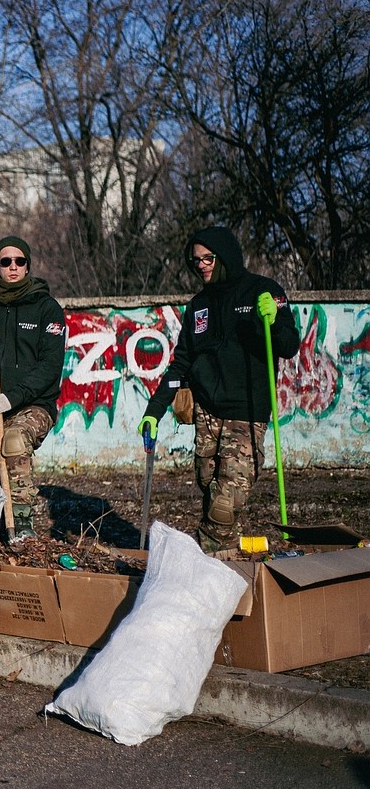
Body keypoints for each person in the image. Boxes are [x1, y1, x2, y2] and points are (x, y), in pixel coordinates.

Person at [139, 227, 300, 552]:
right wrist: (153, 411)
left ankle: (193, 560)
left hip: (246, 412)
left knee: (224, 507)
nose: (201, 265)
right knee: (211, 493)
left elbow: (289, 344)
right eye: (195, 260)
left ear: (225, 255)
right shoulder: (198, 305)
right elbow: (180, 363)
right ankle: (224, 565)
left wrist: (269, 320)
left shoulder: (262, 291)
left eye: (208, 258)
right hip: (207, 413)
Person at [0, 236, 66, 541]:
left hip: (33, 404)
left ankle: (22, 528)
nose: (13, 267)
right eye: (6, 262)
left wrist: (12, 397)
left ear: (28, 266)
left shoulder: (47, 308)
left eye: (20, 261)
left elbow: (50, 366)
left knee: (14, 442)